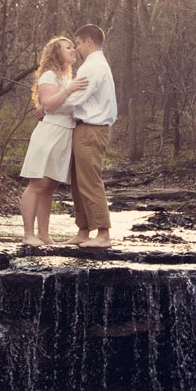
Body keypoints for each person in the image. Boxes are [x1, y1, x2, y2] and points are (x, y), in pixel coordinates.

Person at [18, 36, 89, 246]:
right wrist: (69, 90)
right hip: (49, 134)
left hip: (64, 134)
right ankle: (28, 235)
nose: (73, 50)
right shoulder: (49, 75)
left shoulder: (66, 76)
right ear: (56, 53)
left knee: (48, 188)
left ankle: (44, 234)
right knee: (36, 185)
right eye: (68, 48)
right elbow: (48, 104)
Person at [64, 24, 117, 248]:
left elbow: (75, 98)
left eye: (77, 43)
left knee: (90, 181)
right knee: (78, 181)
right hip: (84, 128)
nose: (76, 48)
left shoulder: (93, 66)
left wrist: (50, 104)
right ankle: (83, 230)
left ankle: (103, 234)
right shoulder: (94, 65)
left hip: (91, 129)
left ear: (88, 41)